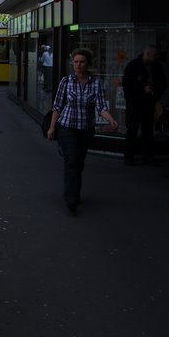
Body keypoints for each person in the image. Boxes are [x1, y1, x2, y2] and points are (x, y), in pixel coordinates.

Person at [47, 48, 119, 216]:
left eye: (82, 62)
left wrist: (111, 119)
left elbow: (101, 106)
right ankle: (70, 198)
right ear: (73, 63)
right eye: (76, 62)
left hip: (85, 129)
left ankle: (75, 192)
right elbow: (57, 106)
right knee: (71, 161)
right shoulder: (66, 81)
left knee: (79, 162)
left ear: (88, 64)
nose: (78, 65)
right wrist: (52, 127)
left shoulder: (96, 83)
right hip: (67, 126)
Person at [121, 45, 166, 165]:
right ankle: (129, 157)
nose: (157, 57)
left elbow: (162, 83)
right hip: (135, 103)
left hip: (148, 103)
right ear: (148, 54)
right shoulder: (133, 65)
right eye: (154, 55)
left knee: (148, 131)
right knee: (132, 130)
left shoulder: (156, 66)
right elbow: (127, 84)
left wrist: (155, 97)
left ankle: (148, 156)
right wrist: (142, 89)